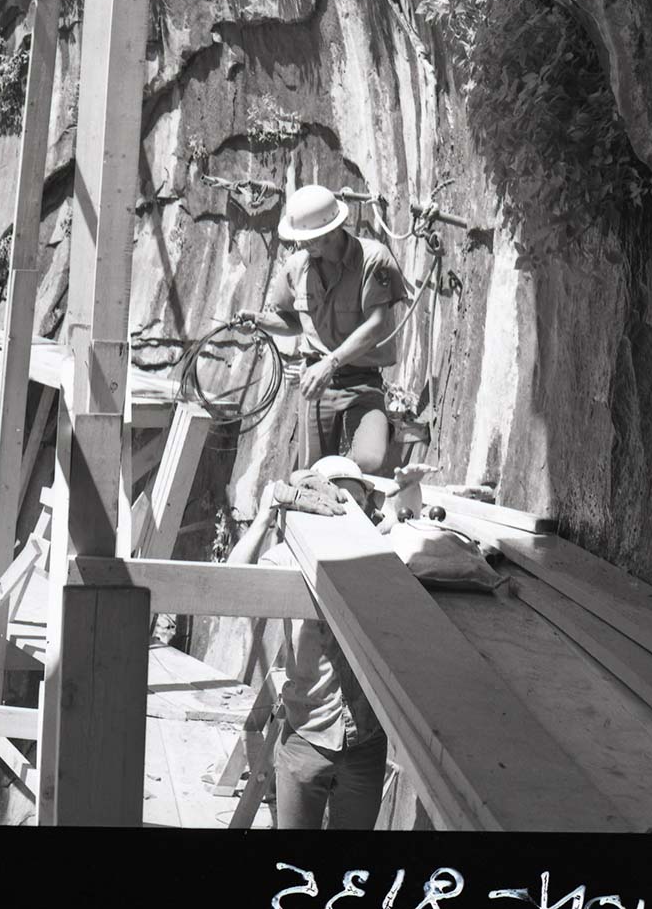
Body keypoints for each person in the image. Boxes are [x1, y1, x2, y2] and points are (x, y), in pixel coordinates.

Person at [228, 455, 388, 829]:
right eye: (337, 502)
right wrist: (266, 518)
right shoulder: (288, 559)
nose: (344, 514)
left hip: (366, 740)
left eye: (355, 505)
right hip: (307, 736)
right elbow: (231, 583)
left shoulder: (380, 560)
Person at [236, 184, 408, 472]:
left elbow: (376, 324)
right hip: (317, 385)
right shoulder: (296, 268)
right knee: (313, 472)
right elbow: (293, 322)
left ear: (332, 231)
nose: (301, 245)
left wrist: (331, 362)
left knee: (369, 460)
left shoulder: (373, 259)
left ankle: (355, 489)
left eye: (309, 239)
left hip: (363, 382)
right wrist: (259, 320)